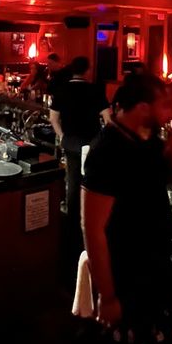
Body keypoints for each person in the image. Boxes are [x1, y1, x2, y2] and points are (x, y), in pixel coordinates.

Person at [82, 74, 172, 339]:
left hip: (154, 265)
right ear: (143, 108)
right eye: (165, 105)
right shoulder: (107, 150)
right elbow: (92, 228)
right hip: (125, 271)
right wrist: (108, 296)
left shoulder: (149, 137)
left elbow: (171, 176)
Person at [49, 56, 111, 260]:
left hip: (71, 142)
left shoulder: (62, 89)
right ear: (87, 71)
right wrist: (102, 140)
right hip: (92, 143)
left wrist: (62, 136)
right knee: (92, 181)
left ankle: (72, 225)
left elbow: (53, 118)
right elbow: (108, 119)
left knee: (73, 181)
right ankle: (91, 223)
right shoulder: (95, 90)